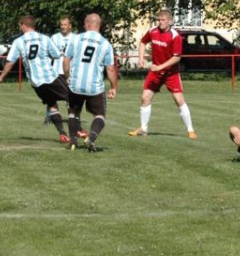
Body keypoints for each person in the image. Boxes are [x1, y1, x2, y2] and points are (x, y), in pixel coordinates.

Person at [0, 15, 71, 143]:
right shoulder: (44, 38)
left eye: (20, 26)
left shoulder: (18, 41)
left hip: (36, 82)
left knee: (51, 104)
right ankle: (77, 129)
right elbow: (57, 55)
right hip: (50, 77)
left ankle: (62, 133)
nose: (20, 28)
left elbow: (10, 61)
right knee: (72, 98)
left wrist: (1, 76)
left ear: (24, 25)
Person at [128, 8, 197, 139]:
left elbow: (177, 57)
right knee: (145, 98)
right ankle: (143, 128)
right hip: (156, 72)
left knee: (179, 100)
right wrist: (141, 58)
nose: (160, 22)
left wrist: (161, 67)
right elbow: (143, 42)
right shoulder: (153, 31)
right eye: (158, 20)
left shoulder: (175, 36)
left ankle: (190, 130)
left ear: (170, 21)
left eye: (163, 20)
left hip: (171, 73)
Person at [63, 13, 117, 152]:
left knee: (73, 112)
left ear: (87, 24)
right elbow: (110, 69)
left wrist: (67, 77)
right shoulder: (105, 44)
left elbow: (66, 61)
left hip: (75, 84)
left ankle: (73, 142)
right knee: (100, 115)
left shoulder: (75, 39)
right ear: (99, 26)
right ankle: (91, 138)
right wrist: (113, 87)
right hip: (94, 87)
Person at [47, 17, 87, 139]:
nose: (63, 27)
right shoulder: (54, 38)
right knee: (52, 99)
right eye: (61, 25)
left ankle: (75, 126)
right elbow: (49, 54)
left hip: (71, 73)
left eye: (65, 24)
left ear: (70, 26)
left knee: (71, 99)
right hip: (56, 73)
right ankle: (62, 127)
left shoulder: (76, 38)